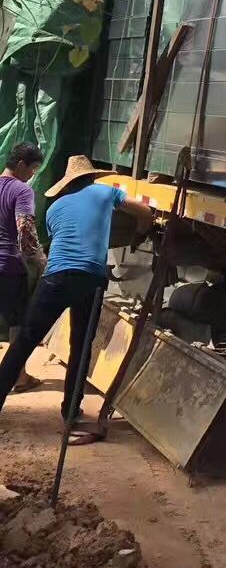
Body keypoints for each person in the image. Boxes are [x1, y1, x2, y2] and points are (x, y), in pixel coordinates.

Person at [0, 155, 153, 427]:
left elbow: (62, 237)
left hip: (55, 278)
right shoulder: (107, 192)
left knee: (24, 341)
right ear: (92, 177)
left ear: (67, 183)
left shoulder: (54, 208)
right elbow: (143, 211)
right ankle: (70, 412)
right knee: (80, 347)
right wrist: (140, 233)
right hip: (89, 279)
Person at [0, 142, 45, 394]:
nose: (33, 175)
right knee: (19, 323)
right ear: (20, 165)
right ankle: (19, 376)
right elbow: (25, 228)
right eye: (33, 169)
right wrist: (38, 259)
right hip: (8, 268)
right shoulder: (22, 190)